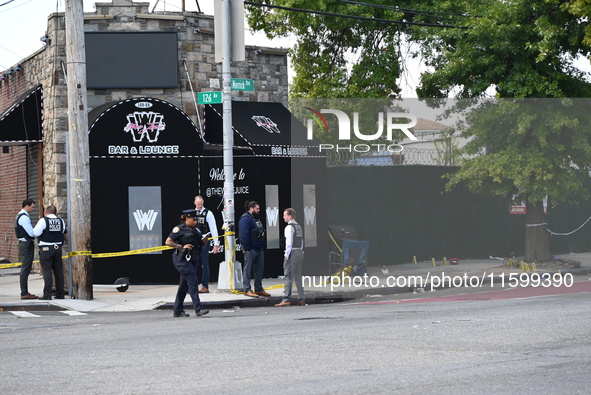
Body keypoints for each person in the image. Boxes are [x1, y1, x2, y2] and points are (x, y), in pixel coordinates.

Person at [165, 209, 209, 318]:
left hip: (193, 258)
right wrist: (180, 246)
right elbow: (168, 242)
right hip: (182, 259)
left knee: (183, 286)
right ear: (187, 218)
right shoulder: (179, 229)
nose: (195, 222)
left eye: (196, 220)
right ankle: (199, 309)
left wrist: (206, 238)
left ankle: (178, 310)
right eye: (193, 220)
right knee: (193, 283)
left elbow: (201, 244)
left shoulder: (196, 230)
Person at [32, 204, 67, 300]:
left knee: (47, 271)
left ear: (46, 212)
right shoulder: (61, 221)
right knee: (58, 271)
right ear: (56, 213)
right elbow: (64, 232)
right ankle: (60, 294)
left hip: (46, 248)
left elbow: (35, 233)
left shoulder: (43, 220)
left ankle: (47, 294)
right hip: (58, 248)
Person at [239, 201, 270, 298]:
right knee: (247, 270)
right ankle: (247, 289)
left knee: (259, 269)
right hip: (251, 249)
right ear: (251, 208)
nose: (259, 210)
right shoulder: (245, 219)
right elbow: (244, 236)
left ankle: (259, 289)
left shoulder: (256, 218)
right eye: (257, 209)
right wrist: (249, 248)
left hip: (259, 248)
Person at [275, 208, 306, 307]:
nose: (283, 217)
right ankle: (302, 299)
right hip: (299, 253)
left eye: (285, 215)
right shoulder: (299, 227)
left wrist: (286, 255)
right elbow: (301, 241)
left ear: (290, 216)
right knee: (298, 277)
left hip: (292, 253)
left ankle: (286, 299)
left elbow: (289, 243)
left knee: (288, 277)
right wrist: (300, 251)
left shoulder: (289, 228)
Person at [194, 195, 220, 293]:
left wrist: (216, 244)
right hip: (194, 241)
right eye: (198, 204)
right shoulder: (192, 213)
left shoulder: (208, 213)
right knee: (193, 264)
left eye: (201, 204)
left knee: (204, 263)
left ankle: (205, 286)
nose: (200, 206)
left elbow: (213, 228)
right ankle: (193, 286)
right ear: (195, 203)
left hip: (204, 240)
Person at [15, 199, 38, 300]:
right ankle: (24, 293)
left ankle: (25, 292)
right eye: (32, 207)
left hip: (24, 244)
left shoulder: (20, 215)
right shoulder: (24, 217)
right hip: (26, 245)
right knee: (25, 269)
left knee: (26, 269)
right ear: (27, 206)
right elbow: (31, 233)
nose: (33, 209)